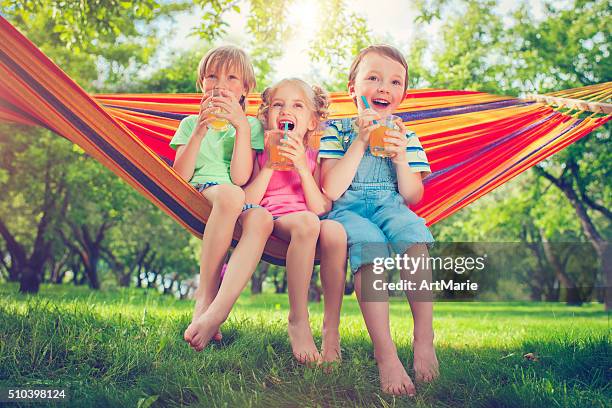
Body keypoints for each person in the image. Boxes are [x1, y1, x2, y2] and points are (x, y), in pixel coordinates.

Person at [319, 45, 439, 395]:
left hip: (391, 205)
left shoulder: (408, 136)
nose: (384, 86)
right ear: (352, 88)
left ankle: (423, 338)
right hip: (349, 210)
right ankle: (386, 353)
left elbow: (413, 196)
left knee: (414, 238)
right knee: (370, 251)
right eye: (373, 78)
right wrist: (359, 141)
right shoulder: (336, 131)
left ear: (402, 94)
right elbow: (331, 189)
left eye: (394, 81)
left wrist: (401, 156)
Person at [170, 45, 273, 352]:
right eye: (212, 76)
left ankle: (219, 310)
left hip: (235, 196)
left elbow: (242, 177)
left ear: (245, 88)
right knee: (230, 195)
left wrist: (241, 126)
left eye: (231, 78)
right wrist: (198, 133)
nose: (220, 84)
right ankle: (205, 297)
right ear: (202, 83)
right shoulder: (190, 123)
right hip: (203, 192)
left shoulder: (252, 126)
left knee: (262, 218)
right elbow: (180, 176)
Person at [244, 78, 347, 366]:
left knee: (336, 232)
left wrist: (302, 167)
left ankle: (331, 332)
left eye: (297, 105)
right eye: (278, 105)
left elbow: (320, 206)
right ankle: (298, 321)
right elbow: (247, 199)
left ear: (312, 122)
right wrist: (268, 167)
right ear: (268, 116)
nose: (286, 110)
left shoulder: (314, 156)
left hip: (309, 220)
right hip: (273, 219)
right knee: (307, 223)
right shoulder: (259, 150)